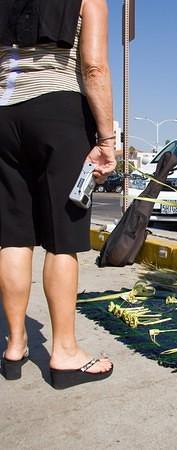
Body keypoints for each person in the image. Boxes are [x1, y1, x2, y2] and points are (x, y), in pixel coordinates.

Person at [0, 0, 116, 388]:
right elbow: (94, 68)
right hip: (58, 111)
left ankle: (15, 346)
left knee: (13, 236)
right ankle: (64, 352)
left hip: (3, 115)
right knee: (61, 240)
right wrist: (107, 140)